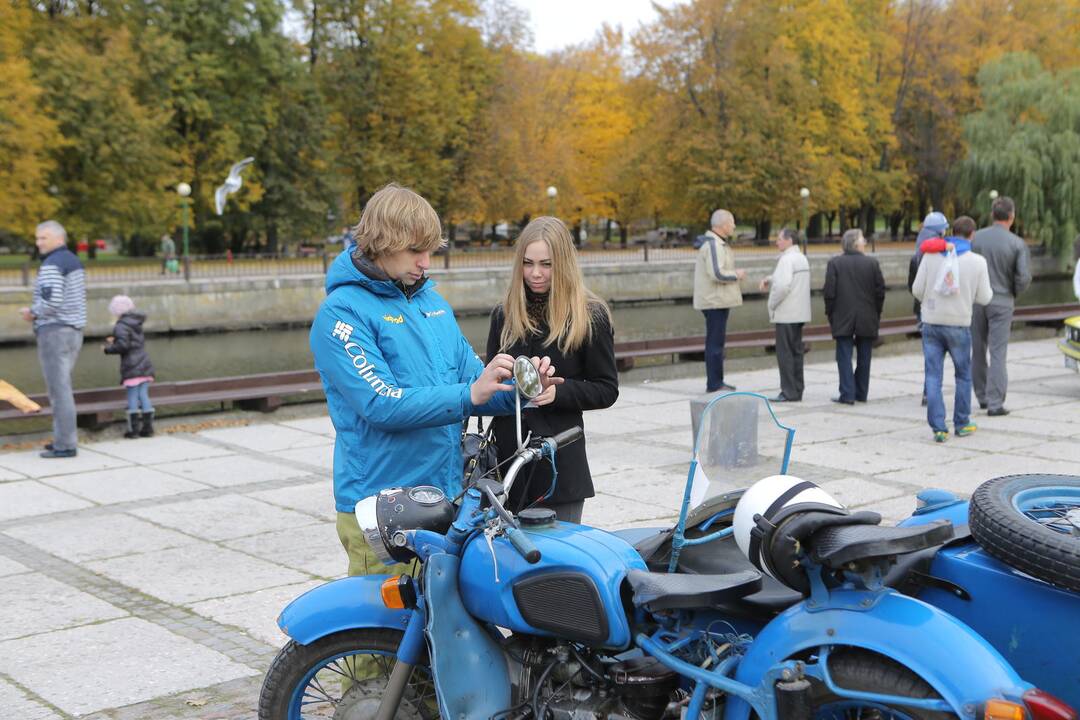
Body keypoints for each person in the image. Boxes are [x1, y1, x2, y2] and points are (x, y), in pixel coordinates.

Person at [309, 183, 559, 576]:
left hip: (444, 497)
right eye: (415, 250)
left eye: (430, 250)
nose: (426, 262)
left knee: (447, 629)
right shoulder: (340, 315)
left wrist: (524, 391)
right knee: (385, 632)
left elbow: (477, 388)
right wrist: (469, 393)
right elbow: (381, 405)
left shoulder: (433, 305)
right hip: (380, 502)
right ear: (382, 241)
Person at [486, 217, 619, 523]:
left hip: (561, 462)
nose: (535, 273)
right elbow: (490, 380)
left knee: (559, 566)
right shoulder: (503, 313)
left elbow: (607, 388)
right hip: (507, 464)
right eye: (528, 263)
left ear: (564, 263)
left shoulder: (590, 316)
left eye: (546, 264)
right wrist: (510, 383)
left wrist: (559, 392)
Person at [912, 216, 993, 442]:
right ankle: (962, 422)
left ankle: (938, 427)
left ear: (950, 232)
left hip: (931, 323)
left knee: (933, 376)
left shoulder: (930, 256)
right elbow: (985, 297)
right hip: (959, 324)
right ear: (972, 234)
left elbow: (917, 289)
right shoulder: (977, 262)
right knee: (963, 376)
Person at [18, 221, 87, 458]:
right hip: (74, 330)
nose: (38, 243)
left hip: (54, 332)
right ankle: (62, 439)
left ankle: (65, 445)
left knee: (59, 391)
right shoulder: (73, 261)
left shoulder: (52, 265)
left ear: (59, 239)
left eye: (43, 238)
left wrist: (32, 312)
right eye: (37, 239)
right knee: (63, 387)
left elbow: (52, 301)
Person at [970, 196, 1031, 416]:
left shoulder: (975, 239)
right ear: (1012, 217)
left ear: (992, 215)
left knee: (977, 349)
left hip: (977, 301)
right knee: (998, 352)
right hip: (1002, 301)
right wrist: (1012, 292)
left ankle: (982, 397)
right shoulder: (1017, 243)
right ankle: (995, 402)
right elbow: (1023, 277)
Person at [823, 229, 885, 405]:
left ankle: (848, 393)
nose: (865, 242)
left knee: (843, 356)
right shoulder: (872, 264)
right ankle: (861, 392)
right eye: (862, 239)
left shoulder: (835, 263)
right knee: (865, 356)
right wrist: (876, 313)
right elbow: (880, 292)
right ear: (855, 243)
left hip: (842, 317)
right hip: (867, 316)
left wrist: (831, 315)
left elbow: (829, 293)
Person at [693, 209, 746, 392]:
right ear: (722, 225)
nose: (734, 226)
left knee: (716, 343)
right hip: (715, 301)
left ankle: (717, 381)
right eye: (732, 222)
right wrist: (736, 275)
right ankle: (715, 384)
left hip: (716, 300)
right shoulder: (714, 245)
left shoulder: (716, 243)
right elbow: (716, 273)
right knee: (715, 344)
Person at [759, 227, 811, 402]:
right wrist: (770, 278)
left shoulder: (786, 260)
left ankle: (788, 392)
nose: (777, 241)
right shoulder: (801, 258)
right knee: (796, 352)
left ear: (789, 240)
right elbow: (787, 279)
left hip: (786, 314)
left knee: (785, 354)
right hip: (800, 313)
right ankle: (797, 389)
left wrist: (771, 304)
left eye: (780, 238)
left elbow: (782, 287)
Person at [103, 295, 156, 438]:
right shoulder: (136, 323)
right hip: (144, 363)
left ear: (116, 311)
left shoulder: (120, 325)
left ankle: (133, 431)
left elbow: (123, 346)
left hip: (131, 366)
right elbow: (132, 341)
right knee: (143, 395)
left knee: (132, 395)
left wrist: (108, 348)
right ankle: (148, 429)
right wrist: (115, 339)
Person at [910, 212, 949, 406]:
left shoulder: (916, 254)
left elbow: (913, 287)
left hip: (923, 309)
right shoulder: (945, 254)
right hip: (943, 308)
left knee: (930, 353)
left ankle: (928, 392)